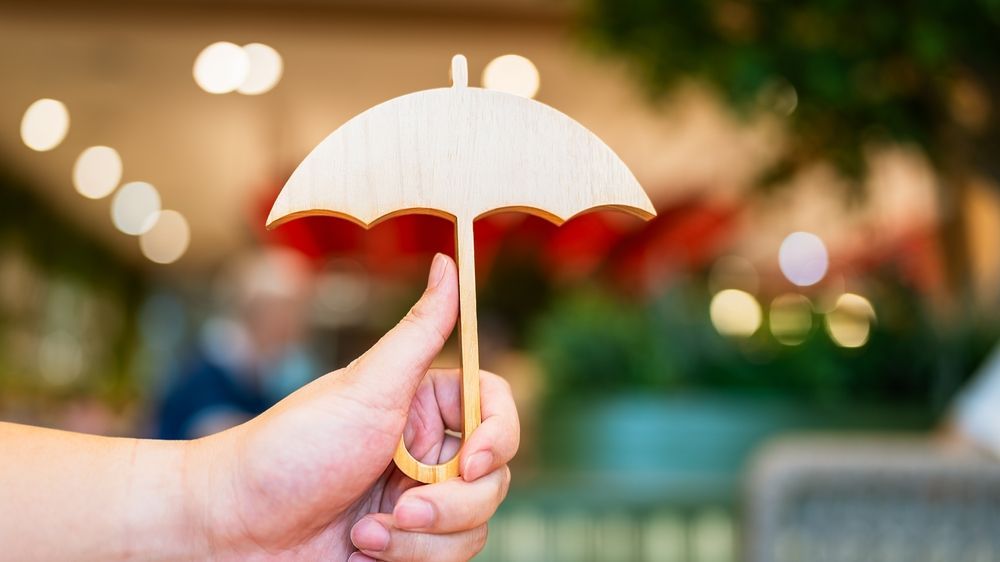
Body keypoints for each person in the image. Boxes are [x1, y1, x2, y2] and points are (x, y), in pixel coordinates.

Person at [0, 254, 519, 561]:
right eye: (291, 310)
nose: (297, 323)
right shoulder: (204, 379)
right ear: (259, 311)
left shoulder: (268, 376)